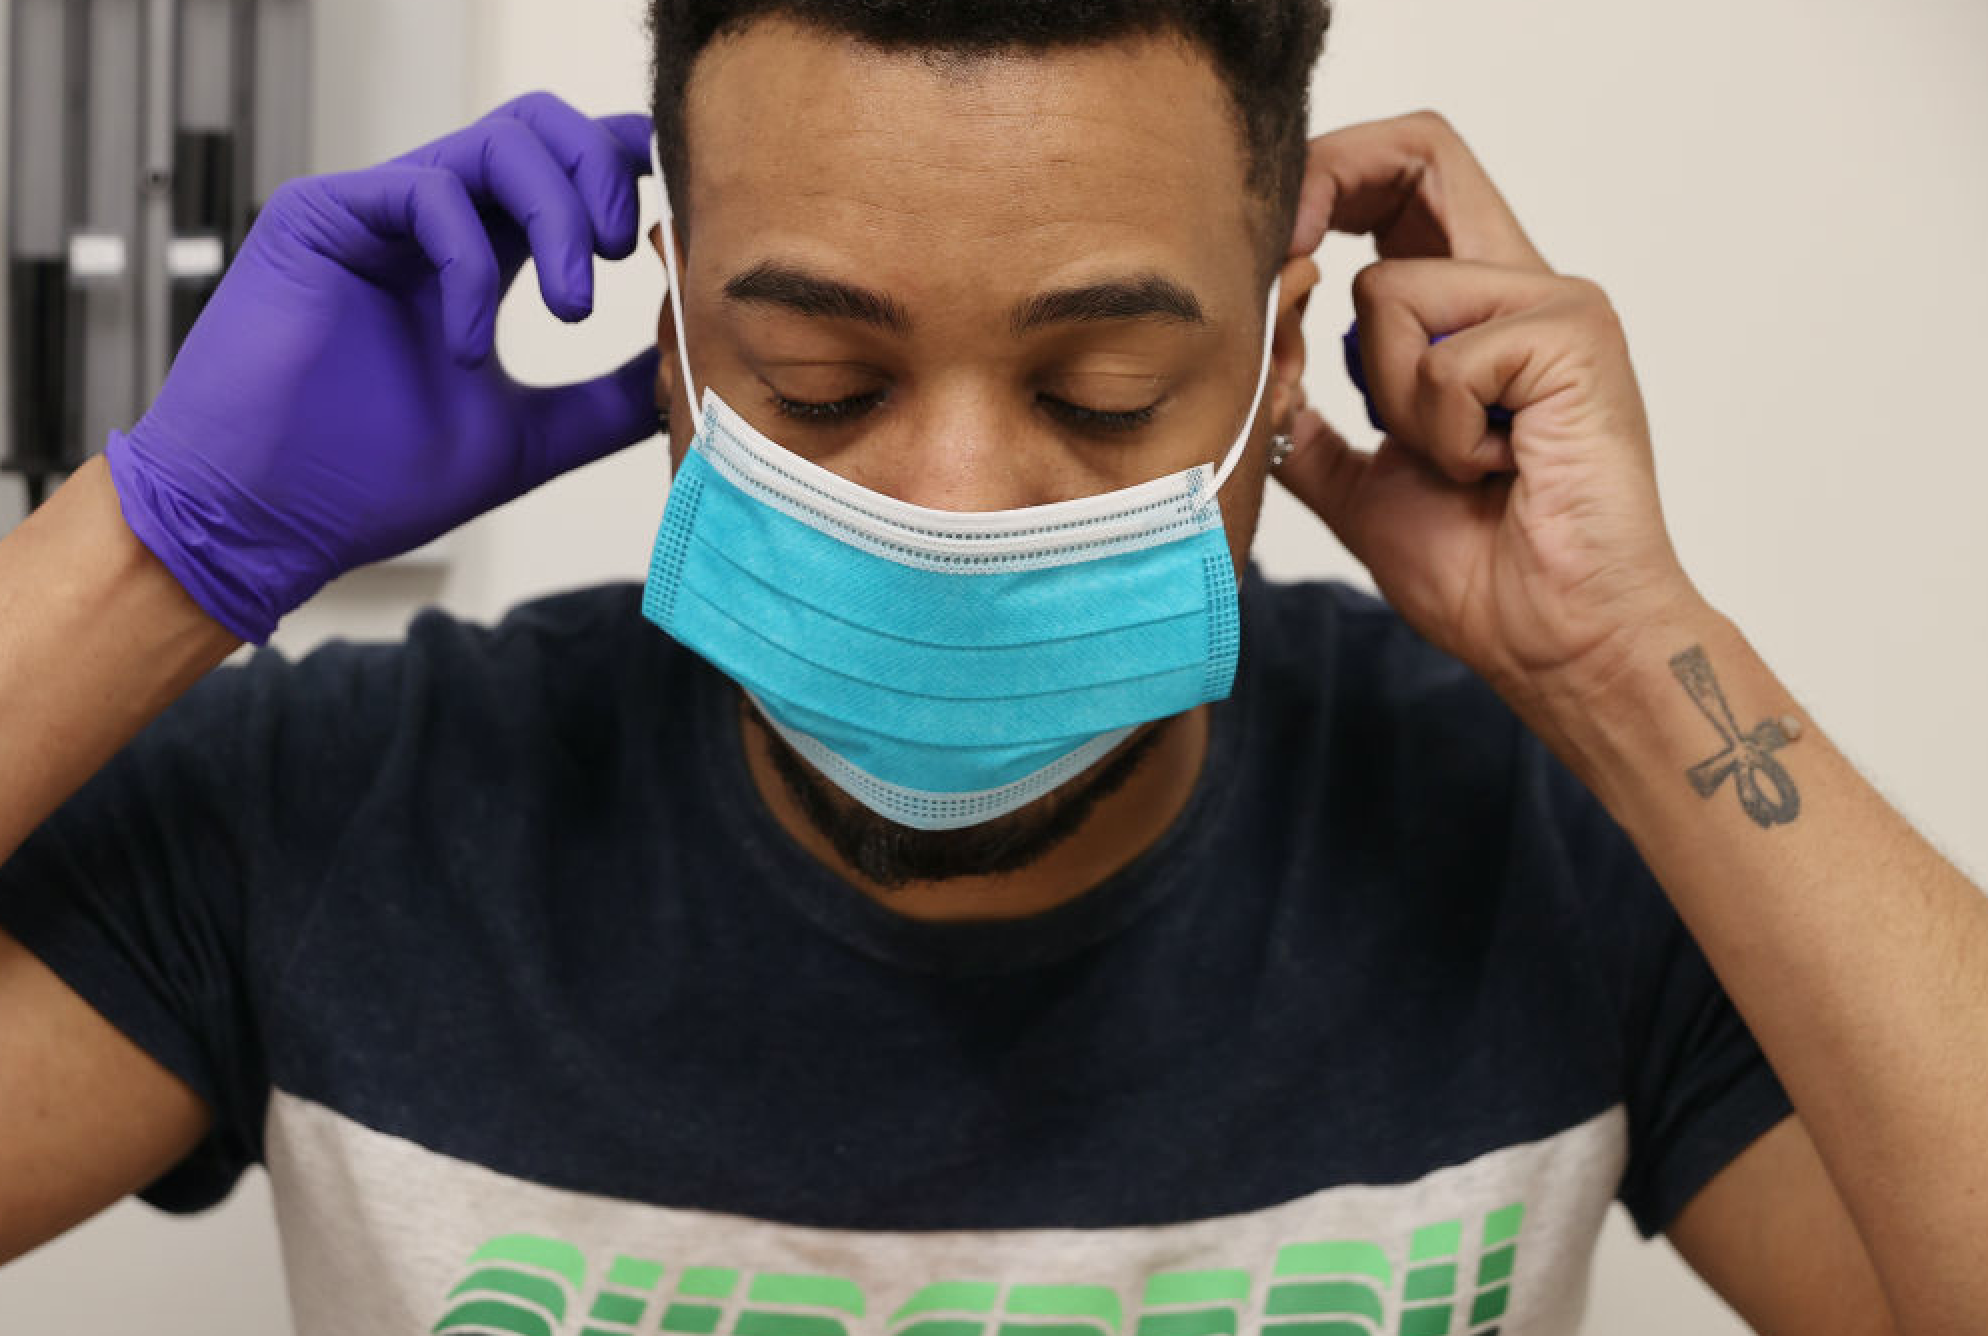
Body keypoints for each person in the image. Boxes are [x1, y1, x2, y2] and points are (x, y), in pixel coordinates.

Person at [0, 2, 1980, 1332]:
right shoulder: (351, 810)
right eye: (823, 381)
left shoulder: (1544, 833)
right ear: (677, 348)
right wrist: (169, 546)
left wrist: (1635, 660)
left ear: (1279, 364)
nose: (955, 497)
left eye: (1103, 390)